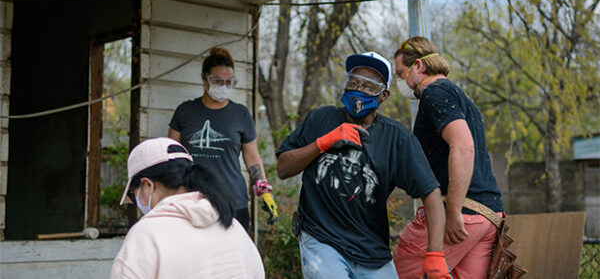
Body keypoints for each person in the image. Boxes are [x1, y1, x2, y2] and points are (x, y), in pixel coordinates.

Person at [276, 51, 452, 279]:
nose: (358, 90)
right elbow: (283, 168)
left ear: (383, 95)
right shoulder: (320, 120)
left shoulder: (396, 139)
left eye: (369, 86)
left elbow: (431, 193)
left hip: (371, 250)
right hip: (321, 239)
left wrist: (435, 254)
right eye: (353, 82)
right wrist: (323, 143)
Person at [393, 36, 504, 278]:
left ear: (419, 66)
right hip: (489, 216)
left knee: (393, 273)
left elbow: (464, 147)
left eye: (401, 73)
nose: (400, 81)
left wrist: (452, 213)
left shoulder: (435, 92)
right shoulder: (461, 97)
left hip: (461, 214)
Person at [110, 137, 265, 278]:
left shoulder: (146, 234)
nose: (136, 202)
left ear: (147, 185)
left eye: (132, 194)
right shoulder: (233, 227)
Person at [168, 47, 278, 231]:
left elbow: (252, 157)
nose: (223, 86)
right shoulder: (185, 111)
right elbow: (171, 156)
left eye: (229, 82)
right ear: (204, 78)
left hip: (232, 200)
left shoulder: (240, 114)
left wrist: (264, 190)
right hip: (192, 200)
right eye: (218, 81)